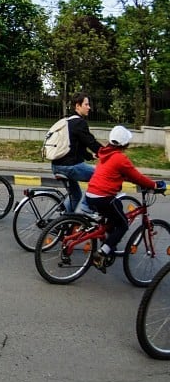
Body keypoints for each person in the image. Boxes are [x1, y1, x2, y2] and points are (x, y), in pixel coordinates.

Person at [84, 125, 164, 270]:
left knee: (118, 209)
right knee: (123, 224)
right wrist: (154, 185)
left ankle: (109, 243)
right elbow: (137, 176)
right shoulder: (120, 159)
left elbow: (119, 174)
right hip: (104, 197)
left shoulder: (104, 153)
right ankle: (103, 252)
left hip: (91, 195)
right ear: (125, 143)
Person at [50, 93, 103, 213]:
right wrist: (108, 153)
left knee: (76, 196)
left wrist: (91, 156)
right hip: (70, 167)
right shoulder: (79, 123)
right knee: (100, 177)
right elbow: (91, 142)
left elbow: (76, 147)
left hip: (57, 165)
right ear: (77, 106)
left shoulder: (68, 121)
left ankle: (62, 224)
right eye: (86, 104)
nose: (89, 107)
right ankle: (86, 209)